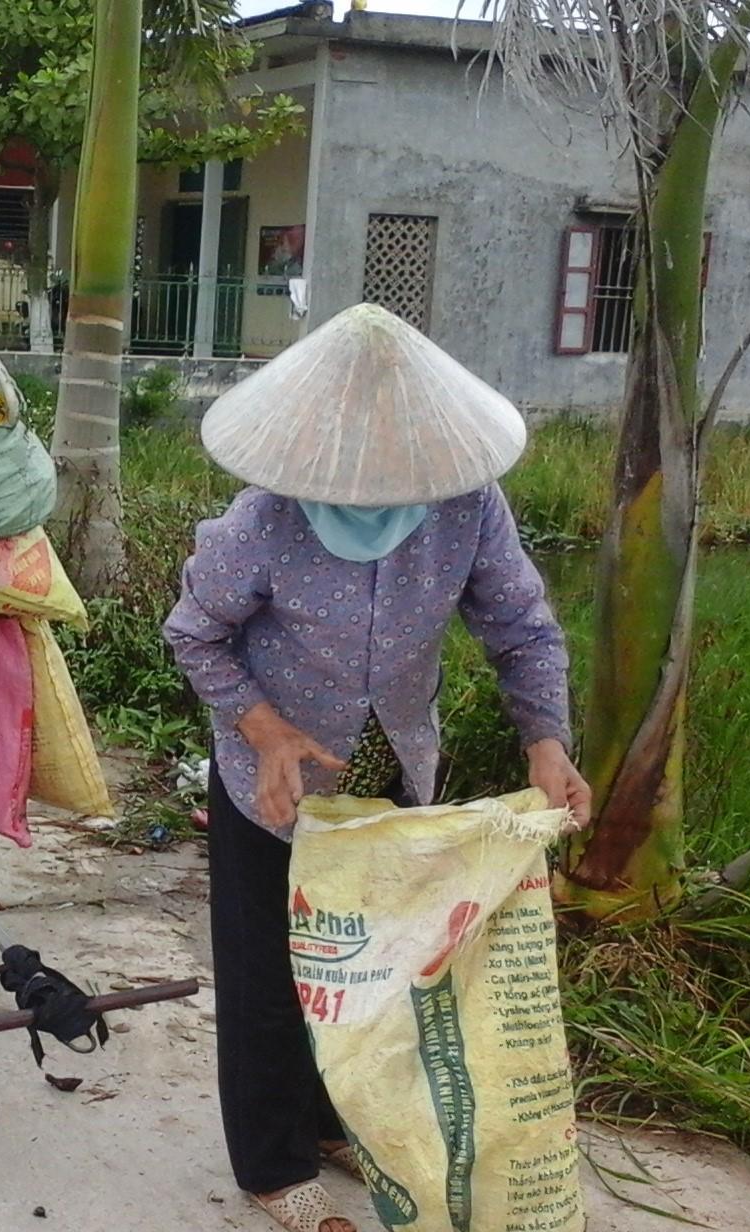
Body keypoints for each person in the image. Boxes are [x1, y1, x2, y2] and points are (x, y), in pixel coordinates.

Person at [163, 302, 591, 1232]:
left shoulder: (466, 506)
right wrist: (266, 732)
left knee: (369, 964)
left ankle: (330, 1121)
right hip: (271, 781)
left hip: (393, 769)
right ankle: (274, 1167)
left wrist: (547, 743)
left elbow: (519, 627)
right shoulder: (266, 522)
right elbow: (195, 635)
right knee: (270, 978)